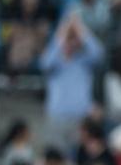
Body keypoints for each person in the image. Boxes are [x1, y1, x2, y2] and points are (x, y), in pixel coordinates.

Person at [40, 13, 104, 150]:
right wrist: (62, 34)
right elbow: (44, 64)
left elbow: (99, 53)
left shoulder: (84, 61)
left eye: (74, 39)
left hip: (81, 119)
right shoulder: (54, 62)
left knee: (77, 159)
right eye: (69, 39)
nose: (71, 42)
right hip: (57, 118)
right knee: (55, 155)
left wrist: (81, 30)